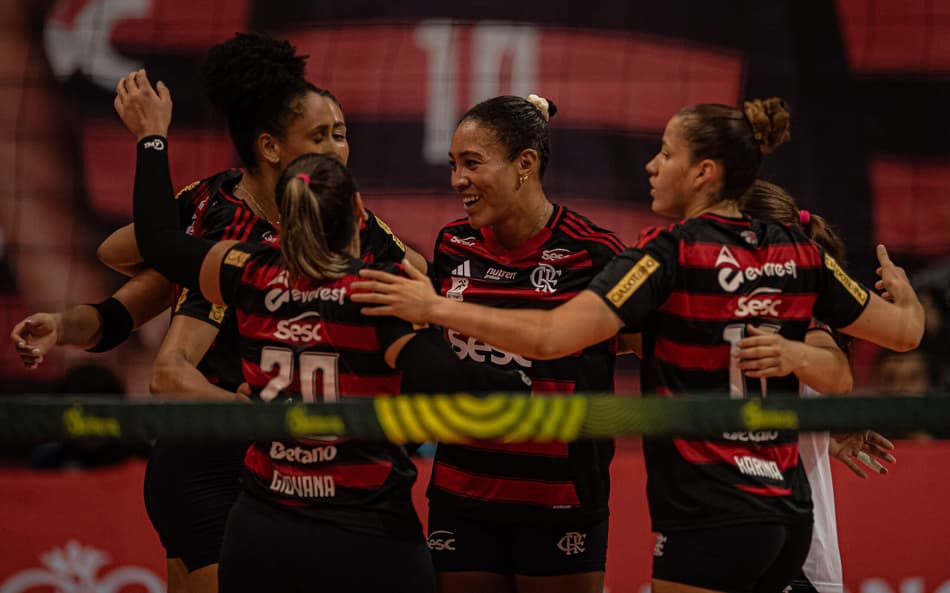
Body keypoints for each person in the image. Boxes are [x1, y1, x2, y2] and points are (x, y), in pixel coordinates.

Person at [351, 98, 925, 593]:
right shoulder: (801, 252)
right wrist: (905, 302)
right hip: (787, 512)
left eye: (666, 154)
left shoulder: (665, 254)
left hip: (708, 515)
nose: (652, 165)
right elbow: (904, 333)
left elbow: (551, 336)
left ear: (703, 172)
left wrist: (434, 309)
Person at [11, 32, 423, 593]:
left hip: (285, 472)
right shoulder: (228, 233)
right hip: (216, 458)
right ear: (272, 148)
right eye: (321, 136)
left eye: (341, 135)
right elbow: (134, 284)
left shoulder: (343, 222)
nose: (337, 150)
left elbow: (418, 274)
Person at [117, 70, 530, 593]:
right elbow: (445, 377)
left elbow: (157, 240)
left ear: (286, 219)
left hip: (262, 530)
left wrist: (151, 136)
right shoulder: (377, 293)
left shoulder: (247, 272)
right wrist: (520, 386)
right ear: (360, 214)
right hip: (362, 534)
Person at [424, 94, 623, 593]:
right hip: (460, 490)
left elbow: (663, 342)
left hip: (560, 500)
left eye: (472, 163)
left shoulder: (594, 252)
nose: (457, 180)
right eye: (453, 165)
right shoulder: (451, 246)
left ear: (524, 165)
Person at [736, 180, 897, 593]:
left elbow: (843, 375)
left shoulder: (804, 324)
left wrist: (909, 306)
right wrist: (819, 432)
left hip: (795, 556)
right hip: (720, 540)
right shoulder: (707, 305)